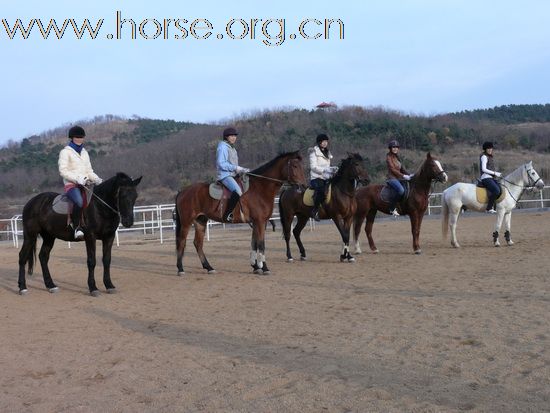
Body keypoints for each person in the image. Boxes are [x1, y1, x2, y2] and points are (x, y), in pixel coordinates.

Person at [58, 125, 103, 240]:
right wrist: (77, 178)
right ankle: (77, 228)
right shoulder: (65, 152)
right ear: (72, 138)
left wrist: (97, 179)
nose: (79, 139)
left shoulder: (84, 153)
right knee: (79, 201)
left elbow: (89, 171)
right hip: (72, 185)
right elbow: (63, 171)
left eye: (81, 137)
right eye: (77, 137)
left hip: (86, 184)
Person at [216, 127, 250, 223]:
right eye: (231, 136)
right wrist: (236, 168)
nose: (234, 137)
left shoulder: (232, 148)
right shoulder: (222, 147)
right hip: (225, 175)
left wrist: (242, 170)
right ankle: (228, 214)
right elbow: (221, 163)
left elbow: (233, 165)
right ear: (226, 137)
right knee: (238, 192)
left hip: (233, 174)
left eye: (235, 136)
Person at [308, 133, 337, 221]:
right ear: (319, 142)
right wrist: (324, 170)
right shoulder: (313, 152)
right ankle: (315, 211)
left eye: (326, 141)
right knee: (321, 191)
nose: (325, 143)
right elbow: (313, 167)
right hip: (316, 177)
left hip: (326, 177)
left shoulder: (327, 152)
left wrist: (332, 169)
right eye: (323, 141)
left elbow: (327, 166)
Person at [386, 139, 412, 216]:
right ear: (390, 148)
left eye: (396, 147)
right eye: (393, 147)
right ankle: (392, 208)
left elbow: (402, 169)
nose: (395, 148)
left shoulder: (397, 157)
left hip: (399, 178)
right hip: (392, 178)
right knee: (401, 190)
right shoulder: (388, 157)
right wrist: (403, 176)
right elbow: (393, 170)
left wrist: (409, 175)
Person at [479, 141, 502, 213]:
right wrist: (495, 173)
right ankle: (489, 208)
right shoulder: (484, 157)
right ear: (485, 149)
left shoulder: (490, 157)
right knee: (496, 190)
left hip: (491, 178)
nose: (490, 150)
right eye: (488, 149)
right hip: (485, 178)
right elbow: (484, 169)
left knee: (500, 190)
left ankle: (495, 207)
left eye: (491, 148)